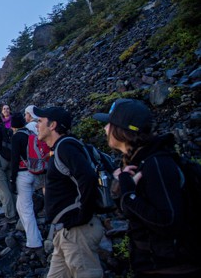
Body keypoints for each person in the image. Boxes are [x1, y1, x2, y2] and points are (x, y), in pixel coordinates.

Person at [94, 99, 201, 277]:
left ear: (122, 131)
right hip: (157, 264)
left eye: (109, 124)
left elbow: (167, 221)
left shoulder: (156, 164)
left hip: (171, 268)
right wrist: (122, 186)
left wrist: (128, 195)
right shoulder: (141, 163)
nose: (105, 129)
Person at [34, 106, 104, 278]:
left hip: (77, 233)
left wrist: (82, 216)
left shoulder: (65, 148)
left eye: (40, 121)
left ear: (53, 125)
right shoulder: (61, 148)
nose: (36, 125)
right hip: (65, 232)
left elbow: (87, 178)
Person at [9, 113, 43, 250]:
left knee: (26, 208)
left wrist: (12, 179)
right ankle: (37, 235)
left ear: (12, 126)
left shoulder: (17, 137)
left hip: (23, 175)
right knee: (20, 206)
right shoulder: (30, 133)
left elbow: (15, 159)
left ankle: (34, 241)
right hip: (35, 172)